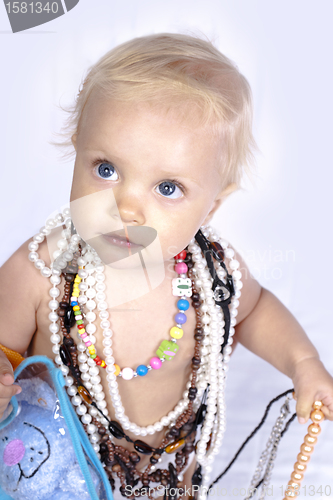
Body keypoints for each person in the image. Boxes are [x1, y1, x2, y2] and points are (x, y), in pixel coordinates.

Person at [0, 33, 332, 498]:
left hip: (165, 473)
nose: (126, 207)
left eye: (168, 188)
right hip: (57, 471)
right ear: (77, 149)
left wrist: (303, 363)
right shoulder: (42, 272)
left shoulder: (212, 274)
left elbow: (254, 312)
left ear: (212, 207)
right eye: (106, 169)